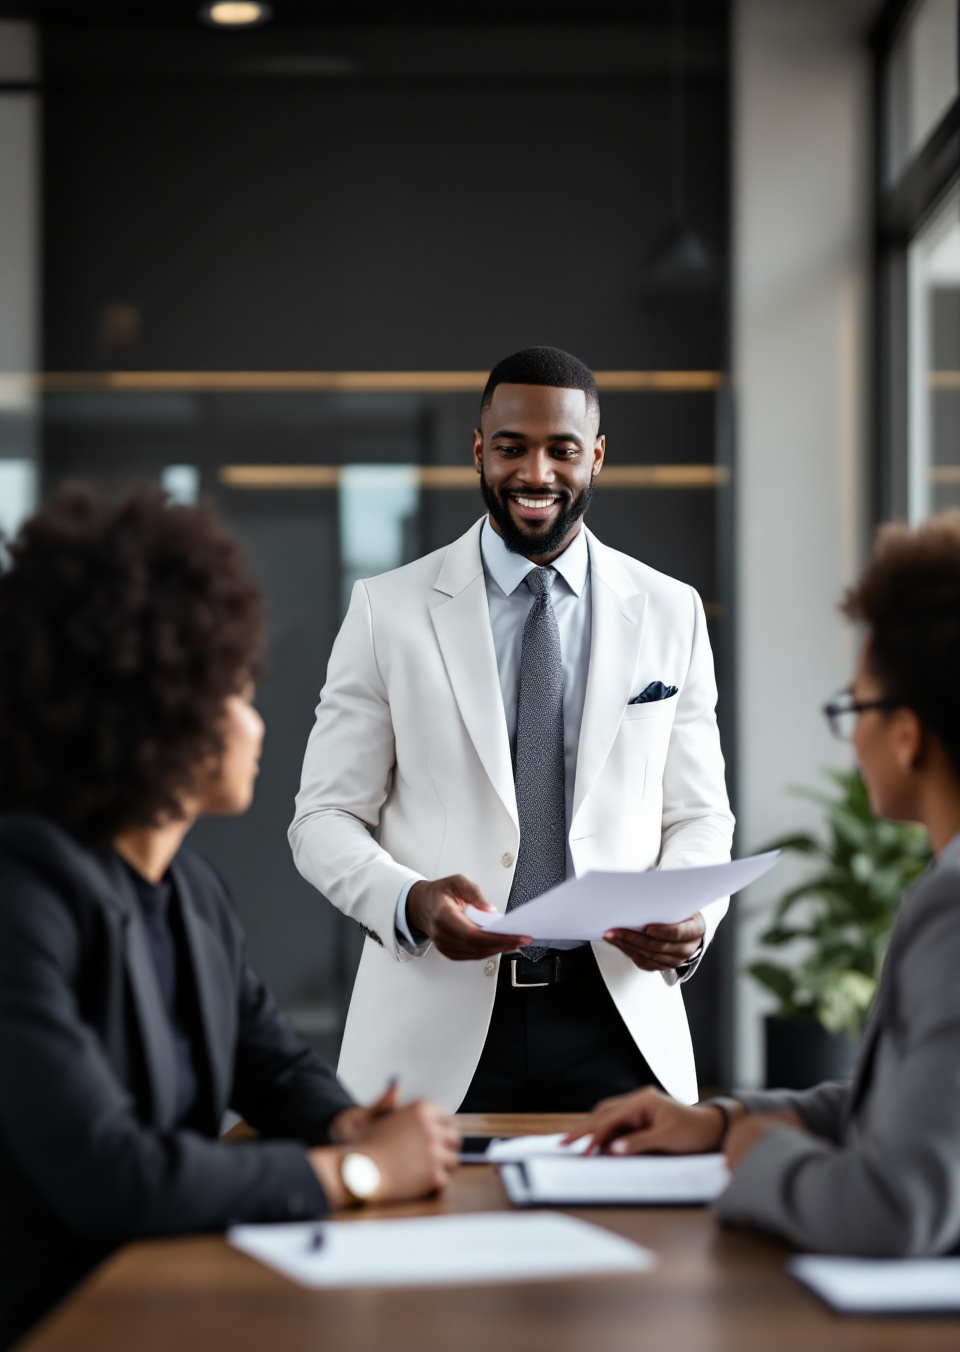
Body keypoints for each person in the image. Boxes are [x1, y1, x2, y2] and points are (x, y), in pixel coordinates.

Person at [0, 485, 459, 1352]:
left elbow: (272, 1064)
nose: (256, 727)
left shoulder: (190, 890)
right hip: (45, 1350)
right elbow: (111, 1178)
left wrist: (341, 1123)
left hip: (149, 1314)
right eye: (239, 693)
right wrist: (355, 1173)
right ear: (163, 706)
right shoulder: (21, 903)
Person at [290, 346, 734, 1113]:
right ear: (478, 451)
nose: (536, 473)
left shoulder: (671, 611)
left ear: (595, 456)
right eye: (511, 448)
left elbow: (698, 814)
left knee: (644, 1233)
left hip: (618, 1020)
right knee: (422, 1233)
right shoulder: (385, 611)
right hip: (435, 1027)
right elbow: (323, 818)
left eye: (562, 449)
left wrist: (691, 918)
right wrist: (411, 902)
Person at [566, 512, 960, 1257]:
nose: (851, 739)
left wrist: (758, 1153)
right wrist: (720, 1122)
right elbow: (914, 1109)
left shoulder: (953, 904)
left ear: (906, 736)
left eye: (854, 709)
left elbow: (895, 1208)